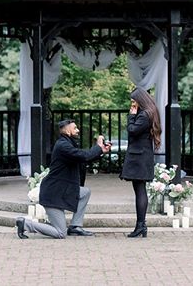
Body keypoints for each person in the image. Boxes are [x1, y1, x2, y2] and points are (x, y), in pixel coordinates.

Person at [15, 119, 110, 239]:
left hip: (62, 191)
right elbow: (83, 155)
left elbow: (82, 158)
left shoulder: (68, 144)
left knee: (85, 192)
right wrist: (98, 147)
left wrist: (101, 151)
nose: (78, 130)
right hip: (53, 195)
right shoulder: (63, 146)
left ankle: (75, 227)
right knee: (60, 233)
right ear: (67, 131)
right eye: (75, 128)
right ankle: (25, 224)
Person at [120, 87, 161, 238]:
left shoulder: (144, 115)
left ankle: (141, 225)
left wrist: (131, 116)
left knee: (140, 190)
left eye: (134, 101)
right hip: (142, 155)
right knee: (139, 189)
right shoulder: (149, 112)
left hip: (139, 156)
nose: (132, 104)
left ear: (140, 100)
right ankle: (141, 225)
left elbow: (132, 130)